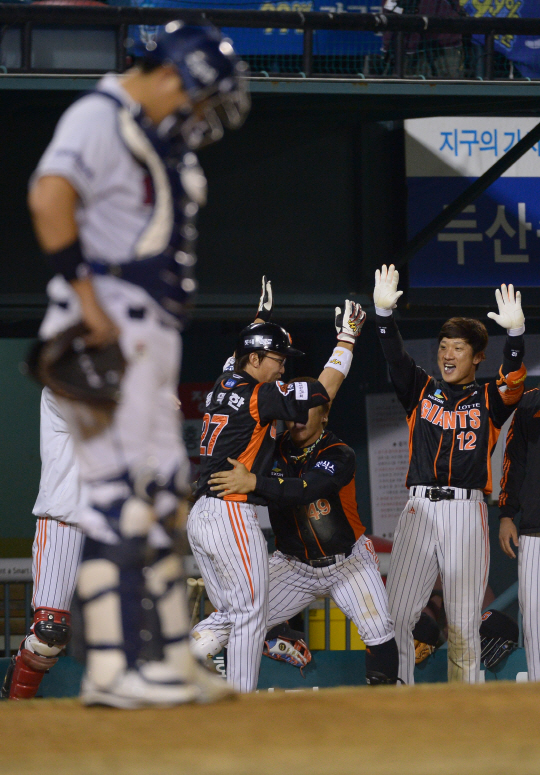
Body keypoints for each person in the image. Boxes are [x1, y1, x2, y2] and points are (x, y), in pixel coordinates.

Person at [27, 22, 249, 708]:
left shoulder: (153, 136)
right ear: (175, 78)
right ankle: (118, 666)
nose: (201, 118)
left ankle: (155, 659)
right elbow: (49, 195)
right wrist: (89, 307)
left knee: (155, 496)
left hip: (146, 332)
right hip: (109, 327)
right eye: (201, 101)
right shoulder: (101, 113)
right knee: (125, 495)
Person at [187, 292, 365, 692]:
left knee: (233, 616)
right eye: (279, 360)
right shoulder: (260, 394)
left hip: (201, 514)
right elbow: (323, 391)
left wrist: (261, 318)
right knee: (251, 613)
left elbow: (242, 353)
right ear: (254, 359)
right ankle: (240, 703)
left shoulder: (222, 381)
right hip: (231, 511)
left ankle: (168, 666)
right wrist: (347, 342)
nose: (284, 368)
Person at [374, 264, 526, 684]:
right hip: (419, 507)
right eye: (444, 345)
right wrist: (384, 318)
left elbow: (513, 382)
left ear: (478, 356)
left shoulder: (489, 399)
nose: (448, 353)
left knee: (463, 621)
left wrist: (514, 339)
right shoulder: (420, 388)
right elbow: (395, 358)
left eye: (459, 347)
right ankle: (399, 699)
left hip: (466, 511)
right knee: (398, 615)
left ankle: (466, 713)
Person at [207, 377, 399, 685]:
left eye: (307, 409)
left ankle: (388, 705)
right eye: (292, 408)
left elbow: (307, 489)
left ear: (324, 414)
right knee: (231, 619)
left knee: (379, 629)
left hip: (348, 563)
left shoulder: (340, 452)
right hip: (293, 567)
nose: (297, 417)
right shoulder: (271, 451)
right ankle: (174, 675)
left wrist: (255, 483)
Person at [2, 388, 85, 700]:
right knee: (49, 633)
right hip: (66, 520)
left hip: (115, 526)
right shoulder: (59, 386)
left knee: (139, 626)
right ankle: (17, 717)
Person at [498, 387, 540, 680]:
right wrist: (506, 515)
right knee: (534, 617)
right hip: (534, 529)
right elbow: (514, 461)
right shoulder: (530, 403)